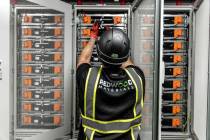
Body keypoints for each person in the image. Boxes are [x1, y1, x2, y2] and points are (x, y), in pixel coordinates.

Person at [76, 22, 145, 140]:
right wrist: (117, 42)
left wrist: (93, 37)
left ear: (99, 53)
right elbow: (127, 62)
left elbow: (84, 59)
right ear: (125, 53)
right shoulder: (137, 77)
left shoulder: (88, 78)